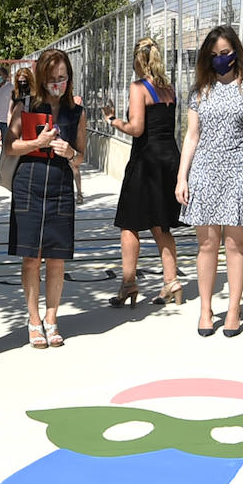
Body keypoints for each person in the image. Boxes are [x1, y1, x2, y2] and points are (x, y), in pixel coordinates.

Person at [176, 25, 243, 338]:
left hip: (241, 170)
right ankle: (205, 308)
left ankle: (233, 309)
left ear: (236, 52)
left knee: (235, 243)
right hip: (205, 170)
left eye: (225, 54)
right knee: (206, 243)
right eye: (213, 55)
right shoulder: (199, 90)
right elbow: (191, 136)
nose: (220, 59)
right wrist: (181, 176)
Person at [4, 49, 86, 349]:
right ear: (41, 78)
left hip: (61, 186)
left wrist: (70, 154)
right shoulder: (25, 105)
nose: (57, 83)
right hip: (29, 182)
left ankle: (52, 319)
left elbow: (80, 157)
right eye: (52, 78)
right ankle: (34, 319)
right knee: (31, 257)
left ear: (69, 78)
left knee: (56, 257)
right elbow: (10, 147)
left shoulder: (76, 110)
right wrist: (35, 143)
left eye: (62, 78)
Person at [104, 36, 182, 309]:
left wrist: (113, 120)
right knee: (161, 223)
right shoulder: (168, 89)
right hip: (169, 158)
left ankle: (128, 284)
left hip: (146, 160)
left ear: (137, 61)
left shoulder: (139, 88)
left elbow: (137, 128)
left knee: (129, 223)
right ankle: (171, 281)